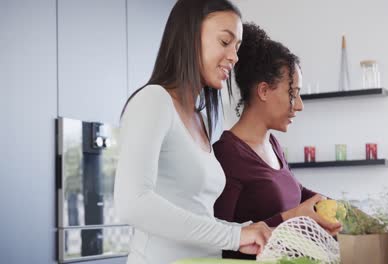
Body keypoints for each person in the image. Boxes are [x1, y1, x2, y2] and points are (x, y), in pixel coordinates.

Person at [113, 2, 271, 263]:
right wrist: (234, 236)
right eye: (224, 41)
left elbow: (196, 213)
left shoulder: (203, 119)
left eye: (237, 47)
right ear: (188, 37)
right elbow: (133, 203)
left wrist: (241, 232)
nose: (234, 56)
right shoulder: (154, 101)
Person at [213, 23, 342, 260]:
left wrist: (338, 209)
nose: (299, 105)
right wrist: (294, 216)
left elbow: (295, 192)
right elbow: (220, 240)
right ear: (264, 91)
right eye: (293, 93)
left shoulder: (271, 144)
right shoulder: (226, 154)